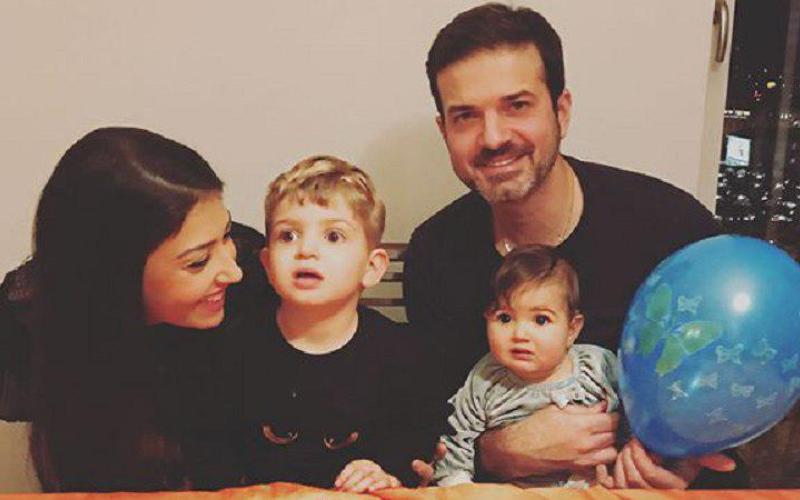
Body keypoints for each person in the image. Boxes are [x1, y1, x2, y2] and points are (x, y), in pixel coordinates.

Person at [404, 2, 745, 489]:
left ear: (561, 111)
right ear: (445, 131)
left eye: (517, 106)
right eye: (465, 116)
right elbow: (434, 425)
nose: (493, 137)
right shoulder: (435, 254)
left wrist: (683, 459)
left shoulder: (670, 227)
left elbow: (729, 386)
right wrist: (500, 452)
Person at [0, 127, 268, 491]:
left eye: (226, 234)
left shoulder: (253, 281)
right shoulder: (27, 320)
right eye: (198, 261)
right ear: (115, 274)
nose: (232, 271)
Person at [232, 156, 444, 492]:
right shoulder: (234, 348)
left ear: (372, 268)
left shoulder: (402, 355)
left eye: (333, 236)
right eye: (288, 235)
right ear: (267, 264)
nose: (306, 250)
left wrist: (385, 472)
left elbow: (414, 438)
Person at [434, 245, 618, 488]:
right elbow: (456, 437)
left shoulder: (598, 366)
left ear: (572, 329)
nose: (520, 334)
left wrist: (624, 466)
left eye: (541, 320)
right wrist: (458, 484)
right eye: (505, 318)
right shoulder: (485, 380)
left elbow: (637, 421)